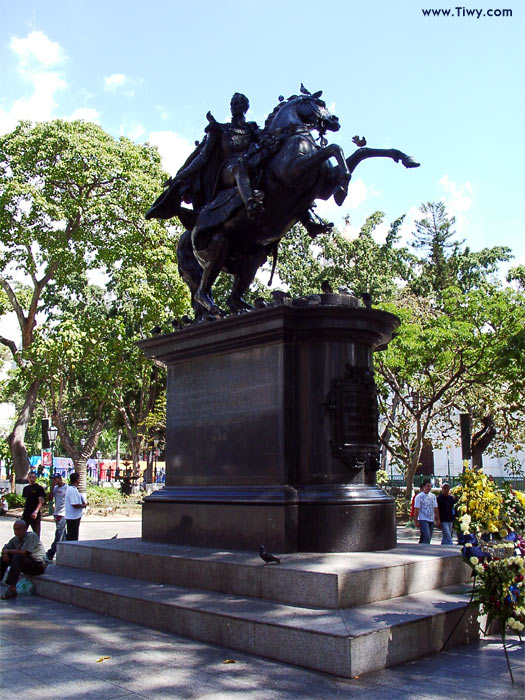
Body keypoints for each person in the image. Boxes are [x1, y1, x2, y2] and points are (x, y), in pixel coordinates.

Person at [1, 519, 47, 599]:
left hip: (37, 565)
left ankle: (12, 588)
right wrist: (5, 553)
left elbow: (24, 552)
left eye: (18, 529)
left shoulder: (31, 536)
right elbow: (6, 547)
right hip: (25, 564)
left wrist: (8, 551)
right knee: (4, 558)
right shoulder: (15, 539)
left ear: (24, 529)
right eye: (14, 529)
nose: (16, 532)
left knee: (18, 557)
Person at [46, 473, 68, 561]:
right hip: (57, 513)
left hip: (63, 514)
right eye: (52, 479)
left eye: (55, 479)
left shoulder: (67, 488)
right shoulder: (55, 488)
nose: (53, 481)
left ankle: (51, 553)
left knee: (59, 533)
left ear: (59, 479)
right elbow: (50, 498)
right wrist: (52, 487)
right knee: (63, 535)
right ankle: (65, 553)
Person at [414, 479, 441, 544]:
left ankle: (421, 545)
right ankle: (425, 547)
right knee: (427, 536)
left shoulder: (433, 496)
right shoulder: (419, 497)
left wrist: (438, 519)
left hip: (431, 518)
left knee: (427, 536)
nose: (429, 488)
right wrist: (416, 520)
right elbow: (417, 509)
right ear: (424, 487)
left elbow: (435, 508)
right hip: (423, 518)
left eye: (430, 486)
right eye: (427, 486)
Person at [22, 471, 46, 537]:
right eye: (30, 477)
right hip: (26, 513)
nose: (31, 479)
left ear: (35, 478)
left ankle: (37, 546)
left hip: (35, 514)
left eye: (33, 477)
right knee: (22, 532)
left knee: (36, 534)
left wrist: (36, 511)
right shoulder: (26, 488)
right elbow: (25, 501)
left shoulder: (39, 488)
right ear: (28, 478)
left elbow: (41, 501)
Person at [65, 472, 87, 541]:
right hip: (72, 517)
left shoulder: (74, 489)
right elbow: (74, 504)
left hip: (75, 516)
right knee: (72, 536)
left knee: (73, 535)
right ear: (77, 480)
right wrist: (83, 506)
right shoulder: (72, 490)